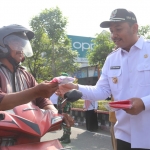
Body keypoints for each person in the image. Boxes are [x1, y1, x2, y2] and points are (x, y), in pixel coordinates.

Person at [57, 8, 150, 150]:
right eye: (112, 31)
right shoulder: (112, 59)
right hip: (124, 136)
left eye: (118, 29)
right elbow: (102, 91)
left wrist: (144, 103)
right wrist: (76, 87)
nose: (114, 35)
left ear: (135, 28)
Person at [0, 24, 74, 146]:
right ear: (2, 47)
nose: (21, 47)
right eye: (16, 43)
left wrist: (56, 114)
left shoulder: (26, 75)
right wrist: (36, 91)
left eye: (22, 44)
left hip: (29, 139)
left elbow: (42, 100)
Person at [57, 73, 72, 144]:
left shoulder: (66, 87)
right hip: (63, 106)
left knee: (66, 122)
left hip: (65, 107)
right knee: (63, 122)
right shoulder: (63, 86)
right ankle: (64, 136)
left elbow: (65, 99)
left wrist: (62, 108)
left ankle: (67, 138)